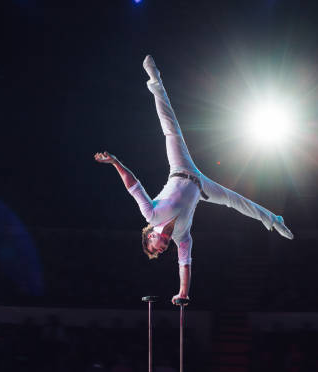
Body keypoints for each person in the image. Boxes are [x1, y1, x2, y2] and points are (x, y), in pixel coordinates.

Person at [94, 55, 293, 305]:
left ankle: (155, 82)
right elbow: (184, 265)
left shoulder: (151, 215)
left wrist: (115, 163)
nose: (164, 247)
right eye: (163, 251)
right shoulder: (182, 236)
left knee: (170, 128)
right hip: (201, 187)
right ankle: (274, 218)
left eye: (157, 246)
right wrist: (183, 293)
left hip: (180, 168)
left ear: (149, 237)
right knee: (235, 200)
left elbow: (133, 185)